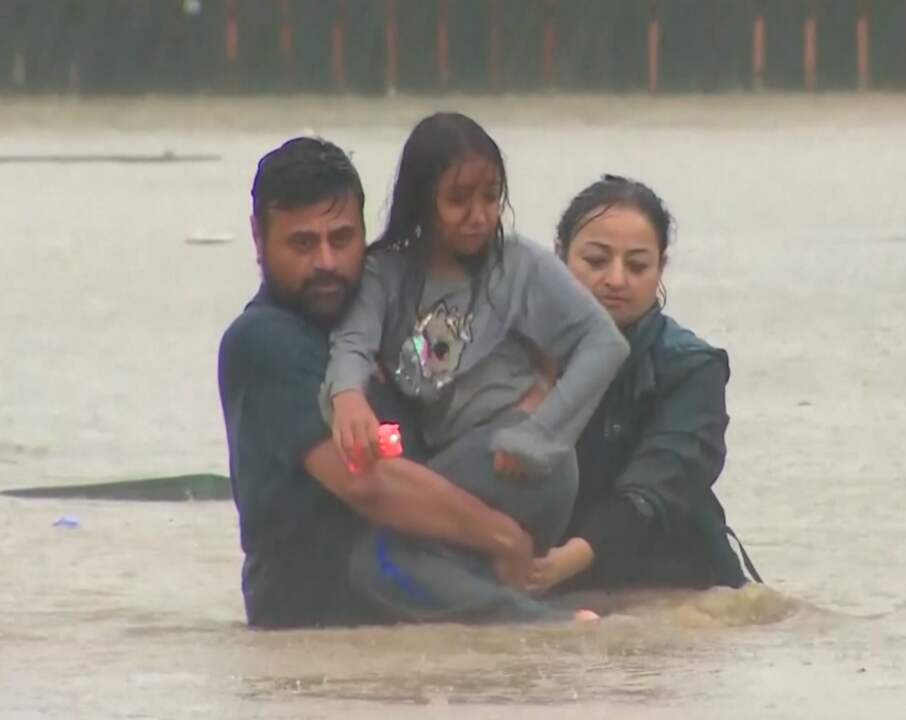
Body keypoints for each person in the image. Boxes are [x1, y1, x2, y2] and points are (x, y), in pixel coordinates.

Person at [218, 137, 538, 629]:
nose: (326, 261)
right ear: (259, 240)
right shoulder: (263, 341)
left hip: (418, 581)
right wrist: (502, 536)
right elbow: (367, 480)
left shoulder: (383, 322)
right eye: (303, 243)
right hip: (319, 613)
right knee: (556, 637)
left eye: (342, 239)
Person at [324, 114, 629, 618]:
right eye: (458, 199)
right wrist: (347, 397)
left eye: (490, 197)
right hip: (465, 465)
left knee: (376, 558)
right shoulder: (387, 274)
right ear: (423, 200)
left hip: (521, 464)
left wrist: (539, 434)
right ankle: (520, 656)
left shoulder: (518, 266)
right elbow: (352, 341)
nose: (478, 215)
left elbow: (604, 343)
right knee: (426, 571)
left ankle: (542, 630)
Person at [527, 175, 759, 594]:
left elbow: (658, 488)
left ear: (661, 268)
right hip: (549, 577)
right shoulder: (517, 350)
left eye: (637, 265)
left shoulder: (691, 367)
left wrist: (561, 564)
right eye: (596, 261)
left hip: (676, 582)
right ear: (559, 256)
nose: (616, 280)